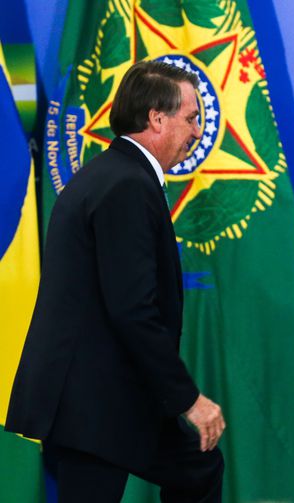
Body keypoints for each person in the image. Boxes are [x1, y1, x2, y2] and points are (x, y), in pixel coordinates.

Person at [5, 61, 226, 502]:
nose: (199, 131)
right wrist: (188, 399)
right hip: (93, 400)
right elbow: (131, 308)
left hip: (110, 392)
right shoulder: (126, 185)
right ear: (156, 118)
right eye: (191, 117)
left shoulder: (117, 175)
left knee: (197, 466)